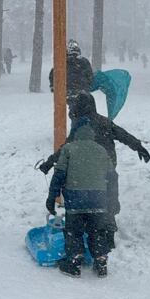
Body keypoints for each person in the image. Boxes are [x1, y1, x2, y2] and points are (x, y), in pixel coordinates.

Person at [38, 92, 149, 220]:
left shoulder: (80, 126)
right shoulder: (105, 122)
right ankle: (107, 219)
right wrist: (138, 147)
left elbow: (65, 148)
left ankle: (83, 216)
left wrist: (50, 163)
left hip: (85, 166)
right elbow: (122, 134)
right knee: (107, 189)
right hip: (107, 165)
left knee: (83, 187)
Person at [46, 117, 115, 278]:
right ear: (92, 134)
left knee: (74, 231)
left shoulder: (69, 148)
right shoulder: (101, 150)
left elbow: (59, 174)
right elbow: (112, 176)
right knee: (97, 230)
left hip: (76, 199)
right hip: (98, 199)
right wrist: (112, 199)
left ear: (75, 132)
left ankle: (74, 263)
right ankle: (101, 262)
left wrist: (51, 197)